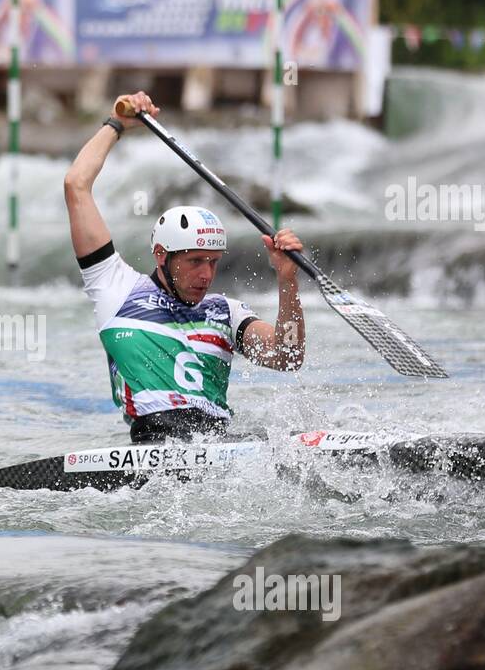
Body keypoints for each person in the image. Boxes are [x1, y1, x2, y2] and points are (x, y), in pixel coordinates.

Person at [63, 90, 306, 444]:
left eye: (213, 262)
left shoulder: (225, 312)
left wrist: (288, 280)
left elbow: (287, 356)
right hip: (154, 445)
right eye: (194, 262)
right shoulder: (117, 289)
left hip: (220, 447)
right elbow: (76, 186)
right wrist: (117, 124)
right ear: (162, 254)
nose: (206, 275)